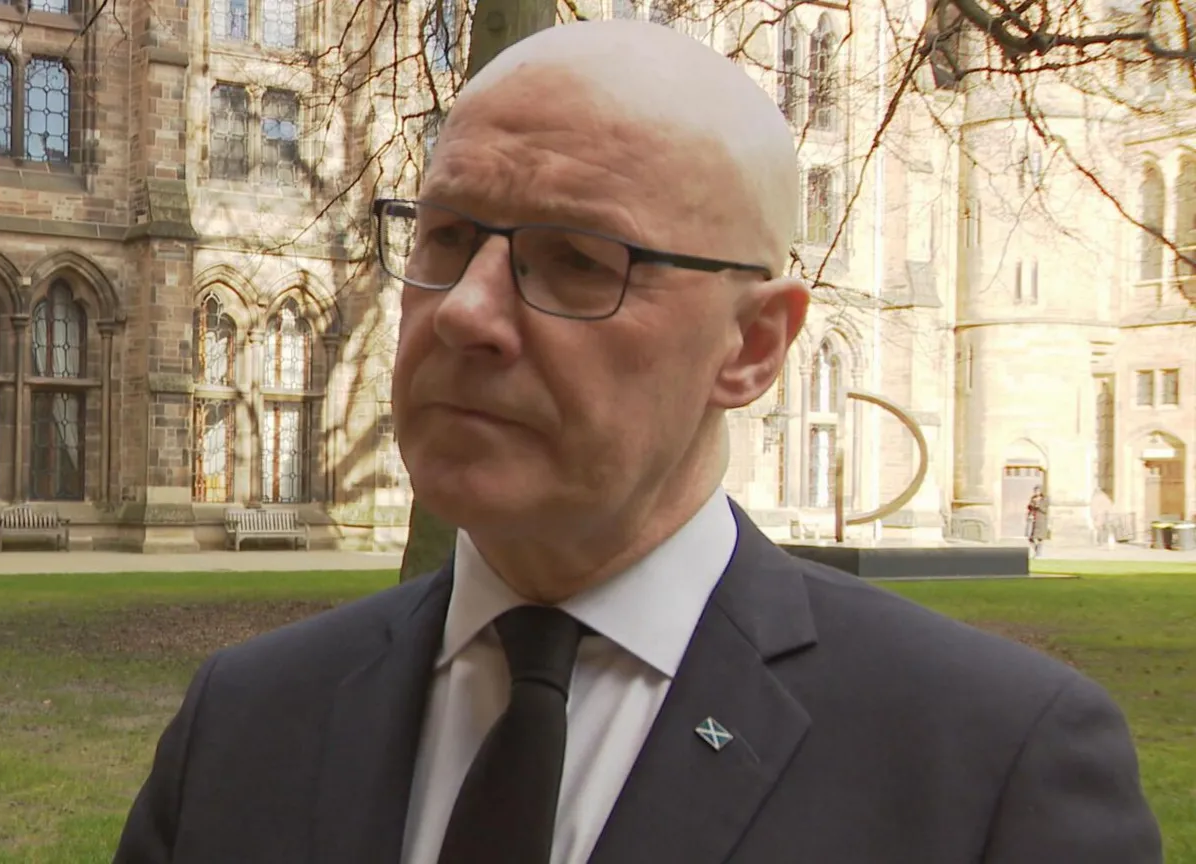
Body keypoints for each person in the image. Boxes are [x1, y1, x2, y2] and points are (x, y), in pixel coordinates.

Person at [113, 20, 1162, 864]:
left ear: (751, 348)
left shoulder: (992, 764)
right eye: (444, 237)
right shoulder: (245, 719)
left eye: (576, 259)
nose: (468, 311)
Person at [1027, 486, 1049, 558]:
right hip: (1033, 520)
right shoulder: (1033, 499)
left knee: (1040, 538)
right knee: (1030, 538)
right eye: (1035, 491)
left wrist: (1038, 506)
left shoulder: (1044, 499)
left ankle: (1038, 554)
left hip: (1041, 520)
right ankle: (1037, 551)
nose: (1036, 492)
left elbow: (1045, 510)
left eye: (1038, 491)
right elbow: (1030, 508)